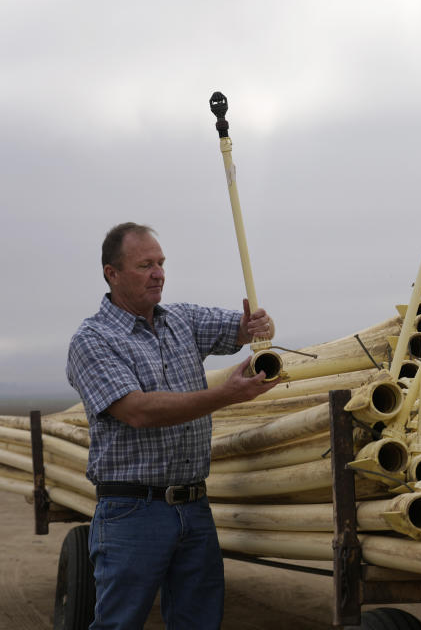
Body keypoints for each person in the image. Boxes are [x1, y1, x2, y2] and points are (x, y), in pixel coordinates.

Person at [66, 222, 279, 629]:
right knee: (120, 623)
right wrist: (225, 394)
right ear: (112, 273)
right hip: (132, 511)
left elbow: (243, 327)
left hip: (193, 508)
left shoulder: (181, 321)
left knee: (199, 622)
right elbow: (138, 411)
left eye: (161, 263)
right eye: (145, 265)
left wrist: (261, 327)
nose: (159, 273)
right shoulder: (92, 340)